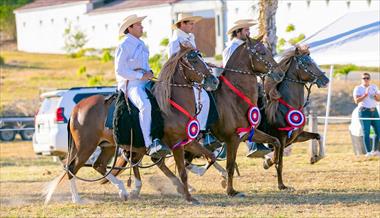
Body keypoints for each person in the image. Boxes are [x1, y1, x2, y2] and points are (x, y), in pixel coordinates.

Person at [115, 14, 171, 158]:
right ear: (130, 28)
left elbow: (144, 66)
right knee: (145, 105)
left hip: (145, 82)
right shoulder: (124, 45)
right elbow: (120, 70)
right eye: (139, 24)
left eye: (141, 24)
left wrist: (149, 72)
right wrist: (141, 76)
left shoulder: (141, 44)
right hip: (131, 85)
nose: (142, 27)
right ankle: (149, 143)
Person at [167, 13, 218, 147]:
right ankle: (200, 132)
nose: (193, 26)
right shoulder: (175, 41)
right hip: (181, 79)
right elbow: (173, 62)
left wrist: (206, 65)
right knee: (204, 98)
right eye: (190, 23)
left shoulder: (190, 38)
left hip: (193, 76)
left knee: (208, 96)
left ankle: (205, 131)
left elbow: (196, 59)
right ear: (182, 24)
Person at [353, 72, 380, 157]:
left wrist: (376, 95)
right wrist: (365, 94)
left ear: (370, 79)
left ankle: (375, 151)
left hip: (374, 111)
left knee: (378, 132)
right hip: (364, 112)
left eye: (367, 78)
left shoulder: (374, 87)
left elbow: (378, 99)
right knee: (366, 132)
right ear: (361, 80)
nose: (366, 80)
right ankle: (368, 152)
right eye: (364, 78)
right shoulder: (358, 88)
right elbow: (356, 101)